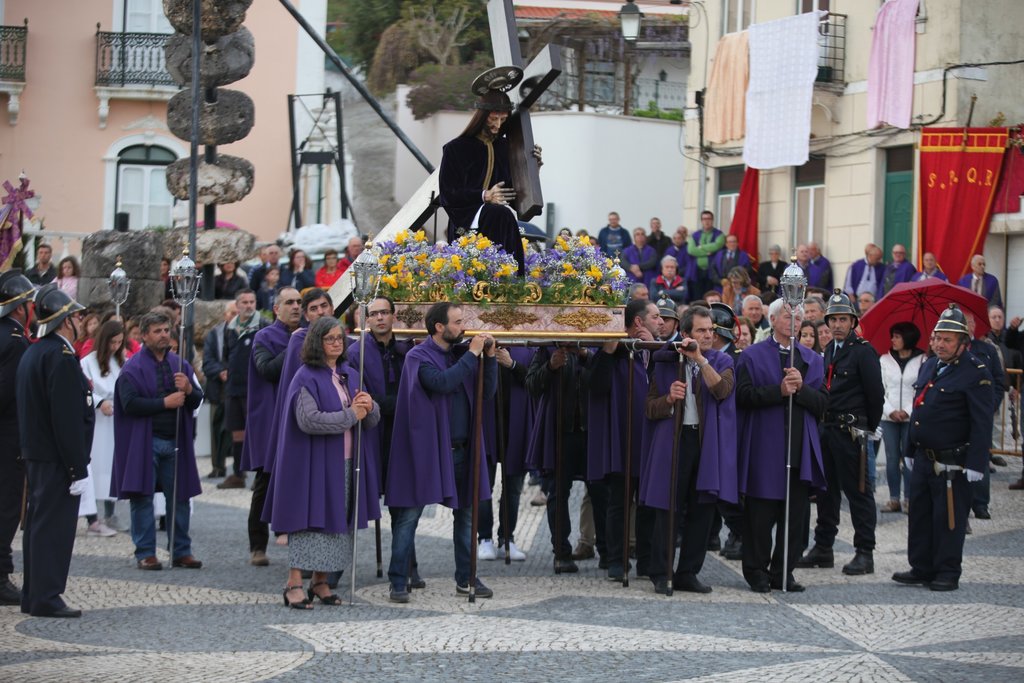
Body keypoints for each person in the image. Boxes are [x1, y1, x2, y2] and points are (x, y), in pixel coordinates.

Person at [262, 317, 381, 609]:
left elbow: (370, 419)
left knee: (336, 523)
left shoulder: (350, 374)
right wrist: (353, 414)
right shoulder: (305, 376)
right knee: (308, 524)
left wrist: (370, 406)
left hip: (346, 461)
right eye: (330, 338)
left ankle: (320, 580)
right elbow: (309, 420)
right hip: (313, 463)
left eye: (340, 338)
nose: (337, 343)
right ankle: (293, 584)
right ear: (317, 342)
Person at [385, 303, 497, 603]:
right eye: (458, 322)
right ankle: (398, 580)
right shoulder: (417, 357)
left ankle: (467, 577)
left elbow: (486, 392)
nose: (463, 327)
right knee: (409, 516)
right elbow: (442, 384)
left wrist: (489, 358)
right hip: (427, 452)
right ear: (439, 327)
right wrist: (473, 355)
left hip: (462, 450)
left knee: (468, 517)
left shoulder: (460, 355)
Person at [892, 305, 993, 591]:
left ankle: (948, 570)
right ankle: (921, 566)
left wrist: (976, 463)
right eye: (937, 338)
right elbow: (919, 408)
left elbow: (982, 422)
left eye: (947, 339)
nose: (939, 344)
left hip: (953, 461)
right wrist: (910, 449)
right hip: (925, 456)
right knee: (920, 515)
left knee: (948, 518)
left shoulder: (975, 372)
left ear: (963, 343)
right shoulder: (929, 364)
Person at [641, 306, 737, 595]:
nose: (708, 335)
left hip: (706, 443)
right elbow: (650, 407)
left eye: (711, 330)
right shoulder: (666, 361)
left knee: (702, 509)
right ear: (685, 334)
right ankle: (661, 571)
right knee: (667, 506)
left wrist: (700, 361)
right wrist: (669, 398)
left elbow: (722, 390)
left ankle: (688, 572)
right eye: (701, 331)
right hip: (675, 440)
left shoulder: (722, 360)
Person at [736, 298, 827, 593]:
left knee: (794, 519)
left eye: (798, 318)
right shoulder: (751, 356)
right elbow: (744, 397)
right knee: (760, 518)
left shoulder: (812, 360)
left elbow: (824, 404)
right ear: (772, 320)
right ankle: (756, 571)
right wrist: (778, 391)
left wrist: (801, 390)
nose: (794, 322)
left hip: (798, 449)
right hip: (765, 447)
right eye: (787, 317)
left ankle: (783, 571)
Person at [15, 284, 93, 617]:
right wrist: (77, 468)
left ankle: (34, 594)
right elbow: (66, 419)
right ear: (65, 321)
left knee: (38, 525)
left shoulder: (35, 351)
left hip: (37, 453)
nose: (80, 321)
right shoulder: (59, 357)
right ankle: (46, 596)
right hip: (56, 459)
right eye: (76, 316)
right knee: (52, 529)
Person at [798, 289, 883, 576]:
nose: (836, 325)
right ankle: (824, 547)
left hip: (851, 431)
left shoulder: (863, 352)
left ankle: (864, 551)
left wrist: (865, 428)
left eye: (843, 319)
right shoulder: (827, 352)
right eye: (833, 319)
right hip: (827, 428)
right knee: (826, 492)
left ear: (853, 322)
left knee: (859, 492)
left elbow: (876, 396)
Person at [111, 311, 204, 571]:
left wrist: (188, 390)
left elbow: (196, 400)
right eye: (157, 331)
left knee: (180, 497)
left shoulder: (181, 365)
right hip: (145, 441)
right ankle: (145, 552)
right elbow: (129, 404)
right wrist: (164, 402)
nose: (164, 335)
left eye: (166, 330)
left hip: (175, 440)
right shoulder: (132, 368)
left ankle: (181, 550)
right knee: (143, 497)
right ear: (144, 335)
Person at [587, 299, 660, 581]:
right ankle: (616, 560)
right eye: (655, 317)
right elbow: (596, 384)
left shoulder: (658, 346)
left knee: (648, 503)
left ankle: (645, 560)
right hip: (623, 435)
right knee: (619, 501)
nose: (661, 321)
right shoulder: (614, 351)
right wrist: (607, 350)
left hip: (651, 436)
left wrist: (654, 348)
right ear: (639, 322)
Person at [526, 341, 604, 575]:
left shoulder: (597, 347)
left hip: (592, 431)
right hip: (560, 432)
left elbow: (605, 380)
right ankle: (561, 552)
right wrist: (550, 366)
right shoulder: (548, 348)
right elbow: (531, 385)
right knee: (558, 493)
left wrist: (586, 356)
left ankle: (609, 552)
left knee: (600, 492)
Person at [438, 89, 534, 272]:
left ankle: (510, 277)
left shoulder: (505, 148)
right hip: (465, 218)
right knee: (501, 214)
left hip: (495, 218)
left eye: (503, 120)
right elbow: (448, 194)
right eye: (494, 118)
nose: (498, 125)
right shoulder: (456, 149)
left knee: (503, 215)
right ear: (482, 116)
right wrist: (485, 195)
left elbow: (514, 196)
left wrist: (532, 167)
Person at [240, 287, 302, 566]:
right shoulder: (265, 336)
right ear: (276, 309)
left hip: (300, 417)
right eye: (289, 302)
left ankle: (297, 539)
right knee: (264, 483)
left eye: (300, 302)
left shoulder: (308, 333)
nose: (296, 307)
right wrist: (295, 344)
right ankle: (257, 546)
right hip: (270, 419)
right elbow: (267, 370)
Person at [477, 342, 536, 562]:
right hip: (489, 419)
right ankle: (484, 537)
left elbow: (534, 379)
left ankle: (507, 537)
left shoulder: (526, 346)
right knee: (484, 484)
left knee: (513, 487)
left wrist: (511, 365)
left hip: (517, 420)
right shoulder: (481, 343)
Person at [0, 270, 35, 606]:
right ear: (20, 307)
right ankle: (0, 575)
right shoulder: (14, 342)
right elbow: (9, 395)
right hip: (8, 437)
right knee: (7, 508)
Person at [79, 320, 127, 535]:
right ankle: (92, 518)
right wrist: (99, 402)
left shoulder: (119, 362)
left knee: (112, 465)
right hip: (97, 422)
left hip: (115, 421)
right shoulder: (88, 362)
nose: (115, 346)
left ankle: (110, 512)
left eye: (119, 342)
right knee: (95, 465)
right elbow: (83, 388)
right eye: (112, 342)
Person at [219, 289, 268, 489]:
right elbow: (226, 355)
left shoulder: (263, 325)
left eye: (252, 301)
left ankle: (261, 476)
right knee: (237, 432)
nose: (249, 305)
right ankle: (238, 475)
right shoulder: (230, 328)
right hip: (234, 388)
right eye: (244, 302)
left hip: (254, 389)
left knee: (257, 432)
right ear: (237, 305)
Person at [708, 301, 744, 560]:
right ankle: (735, 533)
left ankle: (742, 533)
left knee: (728, 490)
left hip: (732, 432)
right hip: (714, 430)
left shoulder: (737, 359)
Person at [879, 322, 924, 514]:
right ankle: (894, 498)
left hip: (911, 416)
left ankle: (909, 498)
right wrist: (890, 411)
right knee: (891, 458)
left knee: (909, 458)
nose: (893, 340)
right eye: (893, 336)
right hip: (888, 417)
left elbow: (921, 389)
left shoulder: (923, 360)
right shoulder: (884, 360)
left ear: (908, 338)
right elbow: (879, 388)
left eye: (897, 336)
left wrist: (907, 410)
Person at [202, 300, 237, 478]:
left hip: (237, 390)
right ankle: (218, 465)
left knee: (236, 430)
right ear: (225, 315)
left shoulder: (245, 333)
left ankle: (239, 469)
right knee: (216, 428)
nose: (234, 317)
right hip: (218, 389)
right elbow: (207, 362)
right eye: (232, 313)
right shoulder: (214, 334)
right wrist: (221, 372)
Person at [688, 211, 725, 295]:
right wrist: (707, 252)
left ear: (712, 220)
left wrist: (701, 247)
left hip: (712, 271)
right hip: (697, 271)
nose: (707, 221)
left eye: (709, 219)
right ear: (701, 221)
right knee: (697, 296)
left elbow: (717, 245)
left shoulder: (719, 234)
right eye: (704, 219)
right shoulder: (695, 235)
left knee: (711, 296)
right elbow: (691, 250)